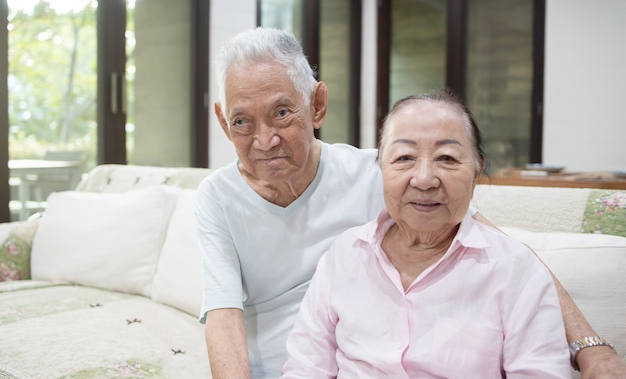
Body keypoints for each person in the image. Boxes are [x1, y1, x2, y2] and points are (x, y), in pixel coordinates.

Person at [195, 27, 625, 379]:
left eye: (282, 113)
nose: (264, 140)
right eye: (241, 122)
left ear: (317, 105)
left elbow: (503, 250)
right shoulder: (216, 198)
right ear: (222, 121)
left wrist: (592, 348)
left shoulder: (383, 175)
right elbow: (224, 317)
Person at [281, 90, 572, 378]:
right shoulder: (344, 256)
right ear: (381, 168)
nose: (424, 179)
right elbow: (306, 368)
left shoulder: (516, 271)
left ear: (477, 170)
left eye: (446, 158)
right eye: (404, 157)